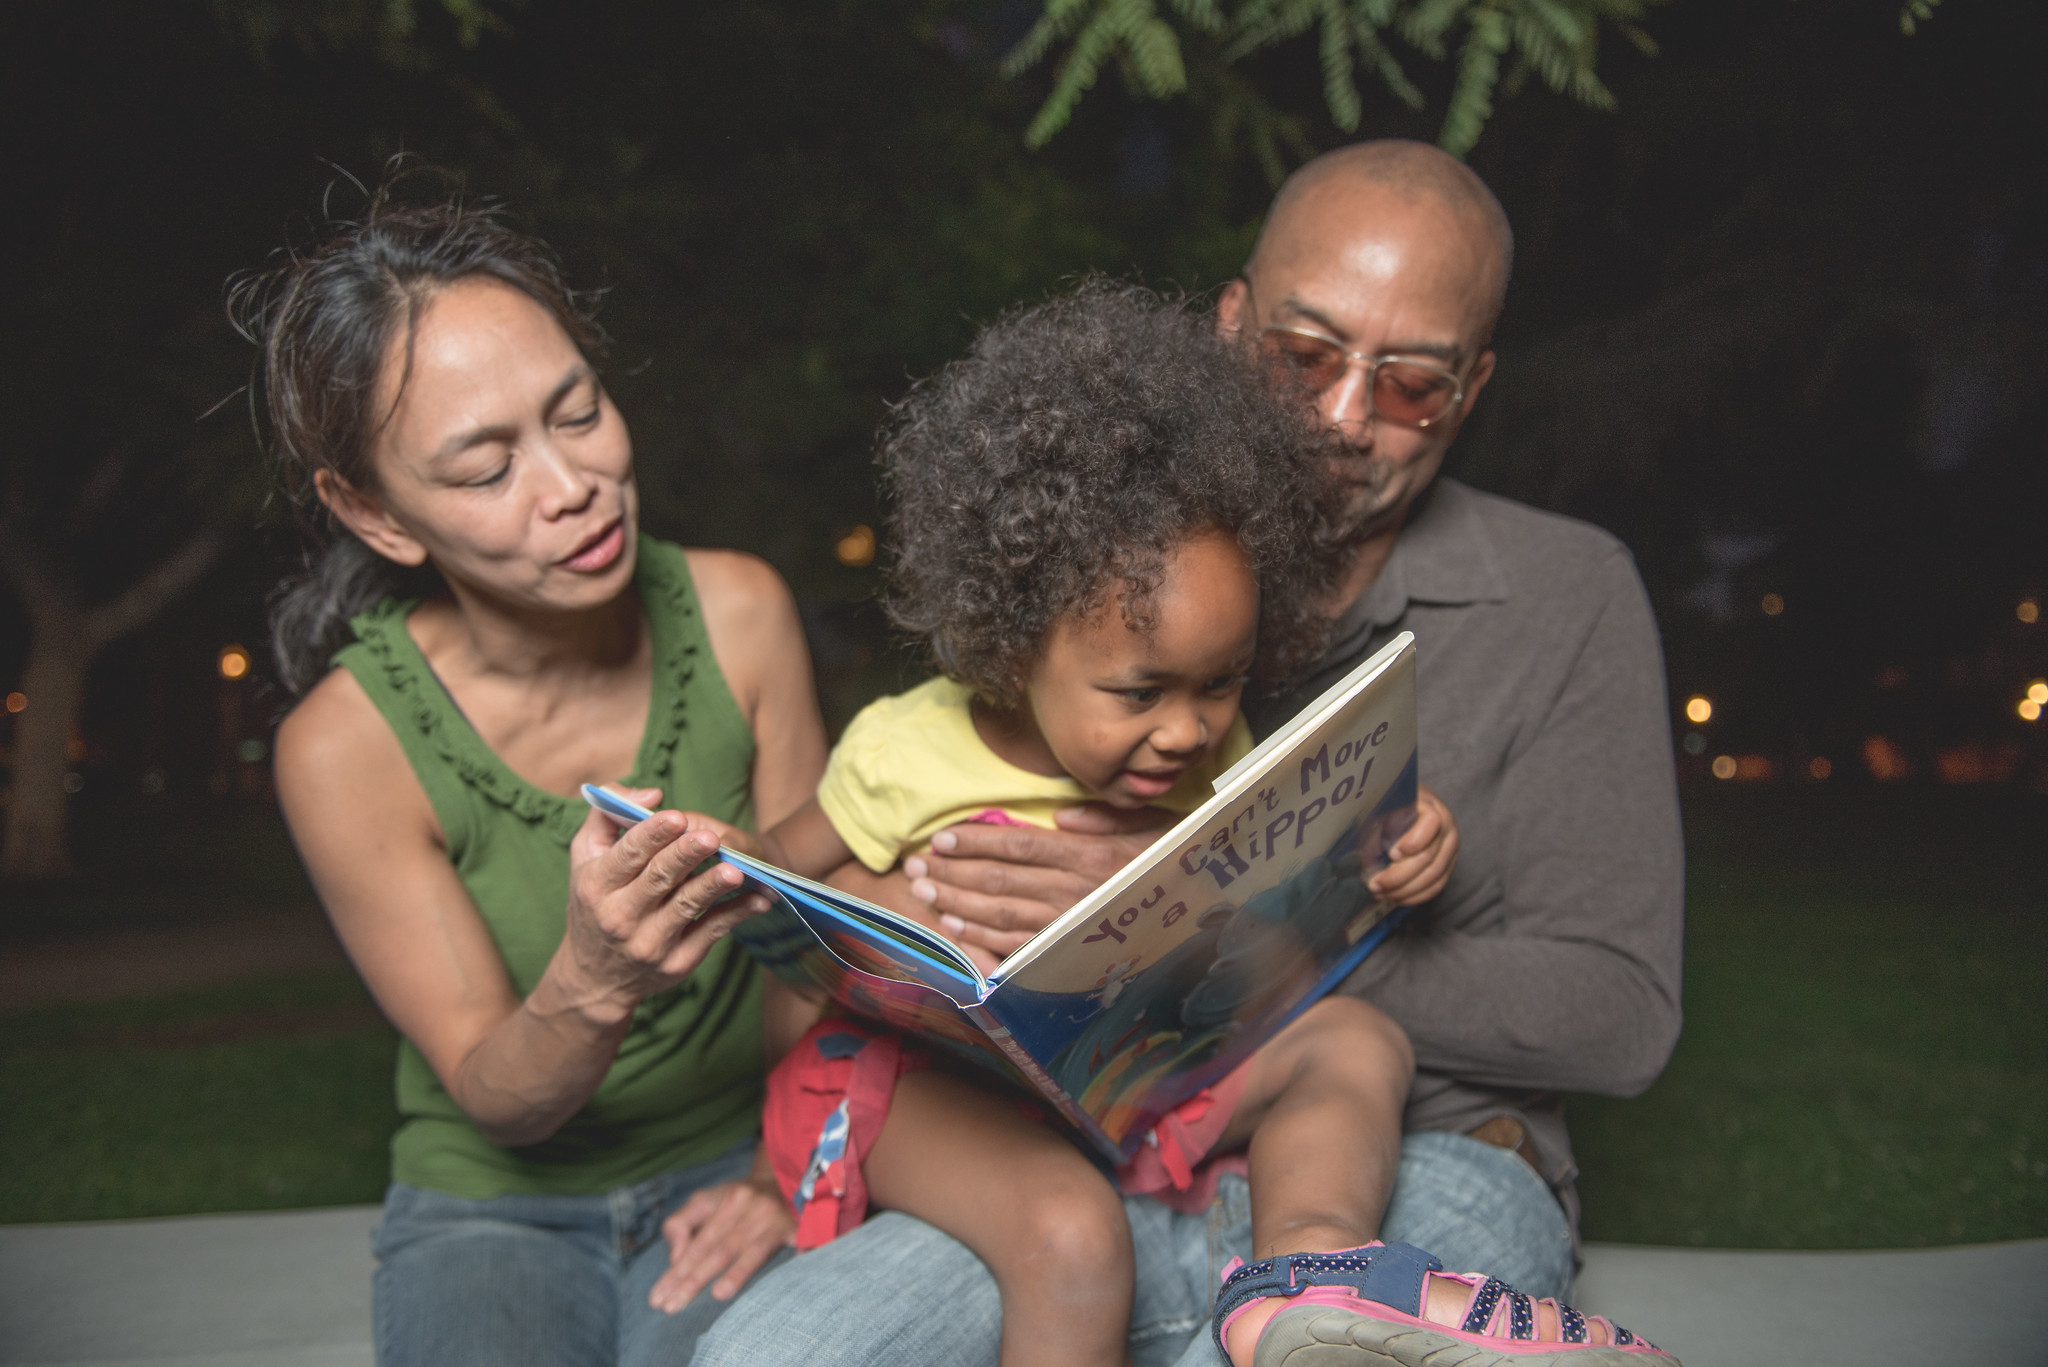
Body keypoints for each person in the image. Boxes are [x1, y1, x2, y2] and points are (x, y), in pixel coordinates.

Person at [695, 143, 1685, 1367]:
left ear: (1471, 388)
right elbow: (781, 898)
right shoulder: (1098, 579)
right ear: (1229, 326)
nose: (1340, 419)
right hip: (1054, 1151)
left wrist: (1191, 929)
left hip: (1410, 1150)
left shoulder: (1567, 594)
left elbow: (1620, 1017)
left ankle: (1317, 1269)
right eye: (1303, 356)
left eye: (1411, 383)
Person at [243, 187, 824, 1367]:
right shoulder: (343, 746)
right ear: (376, 512)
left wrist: (786, 1170)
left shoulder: (741, 612)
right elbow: (498, 1095)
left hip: (743, 1153)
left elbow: (823, 953)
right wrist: (594, 977)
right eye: (484, 467)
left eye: (578, 411)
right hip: (492, 1201)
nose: (570, 485)